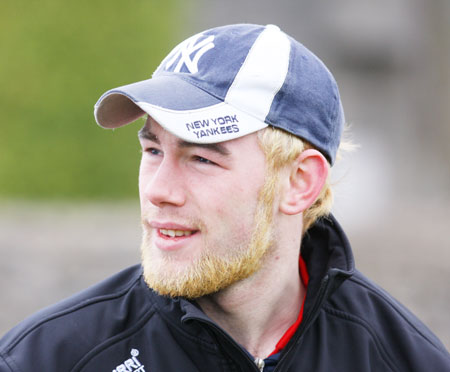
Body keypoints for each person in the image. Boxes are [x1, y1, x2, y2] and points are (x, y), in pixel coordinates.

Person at [0, 23, 448, 372]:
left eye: (201, 159)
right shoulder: (44, 358)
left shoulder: (404, 359)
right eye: (153, 150)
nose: (158, 191)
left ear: (299, 183)